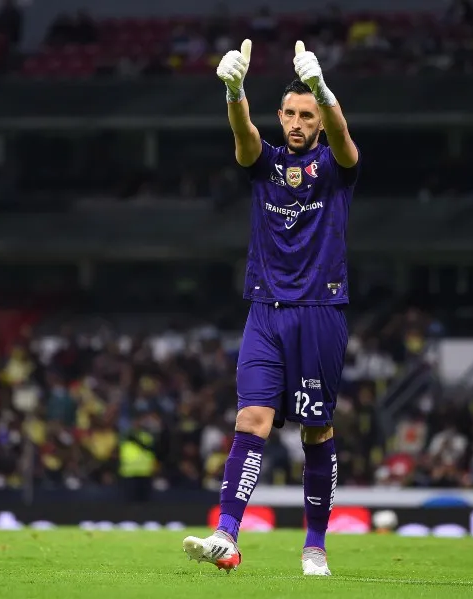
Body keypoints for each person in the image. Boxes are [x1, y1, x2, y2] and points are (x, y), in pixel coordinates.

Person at [182, 39, 360, 577]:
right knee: (252, 418)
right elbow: (244, 138)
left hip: (320, 311)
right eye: (290, 112)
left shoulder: (335, 167)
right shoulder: (266, 164)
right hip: (265, 310)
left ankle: (314, 546)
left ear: (320, 120)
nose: (298, 122)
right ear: (279, 116)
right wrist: (234, 92)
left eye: (308, 114)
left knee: (316, 432)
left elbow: (348, 143)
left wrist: (326, 91)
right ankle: (227, 536)